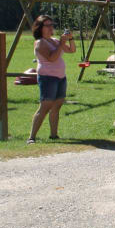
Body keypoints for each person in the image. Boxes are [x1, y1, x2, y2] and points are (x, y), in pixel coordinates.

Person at [28, 14, 76, 144]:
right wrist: (61, 43)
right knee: (45, 107)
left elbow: (72, 50)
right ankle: (32, 137)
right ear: (40, 27)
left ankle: (54, 135)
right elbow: (52, 58)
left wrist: (70, 38)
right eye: (47, 25)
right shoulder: (40, 43)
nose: (51, 28)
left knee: (57, 106)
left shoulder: (54, 40)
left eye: (51, 25)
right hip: (47, 78)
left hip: (60, 77)